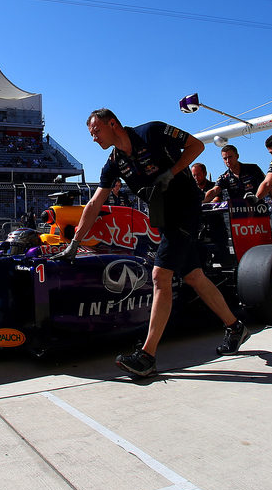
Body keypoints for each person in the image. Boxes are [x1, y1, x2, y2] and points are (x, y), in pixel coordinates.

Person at [56, 108, 249, 378]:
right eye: (91, 133)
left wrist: (172, 172)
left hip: (186, 209)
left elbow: (196, 145)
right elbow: (95, 202)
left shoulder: (152, 131)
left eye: (96, 130)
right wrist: (74, 243)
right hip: (165, 218)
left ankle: (147, 355)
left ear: (113, 124)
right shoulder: (114, 162)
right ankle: (235, 326)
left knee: (160, 277)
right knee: (194, 276)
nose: (93, 138)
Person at [203, 145, 270, 204]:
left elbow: (268, 186)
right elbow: (214, 191)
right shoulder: (224, 177)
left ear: (237, 156)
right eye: (225, 158)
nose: (228, 161)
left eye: (230, 157)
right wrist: (200, 201)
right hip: (237, 212)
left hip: (258, 208)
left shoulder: (253, 169)